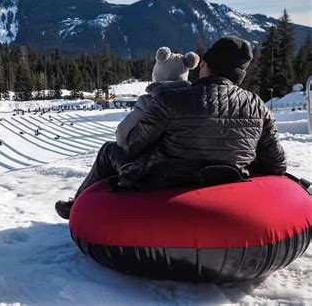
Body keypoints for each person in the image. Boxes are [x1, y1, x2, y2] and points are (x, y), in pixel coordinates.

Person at [55, 36, 286, 220]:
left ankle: (76, 208)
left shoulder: (172, 99)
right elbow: (277, 163)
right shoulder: (258, 105)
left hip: (165, 183)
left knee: (109, 150)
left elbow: (132, 145)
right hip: (228, 184)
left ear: (204, 64)